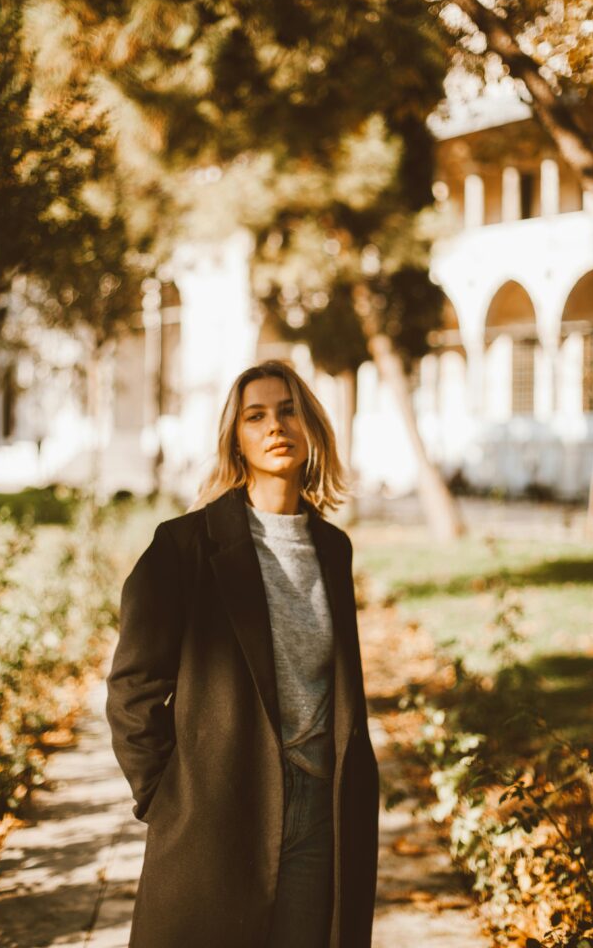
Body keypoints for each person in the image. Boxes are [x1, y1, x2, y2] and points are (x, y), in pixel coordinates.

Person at [105, 359, 379, 948]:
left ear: (311, 429)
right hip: (220, 805)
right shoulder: (185, 547)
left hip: (318, 810)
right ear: (237, 438)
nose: (275, 426)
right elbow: (133, 689)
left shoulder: (333, 549)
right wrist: (165, 796)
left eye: (288, 411)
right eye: (256, 416)